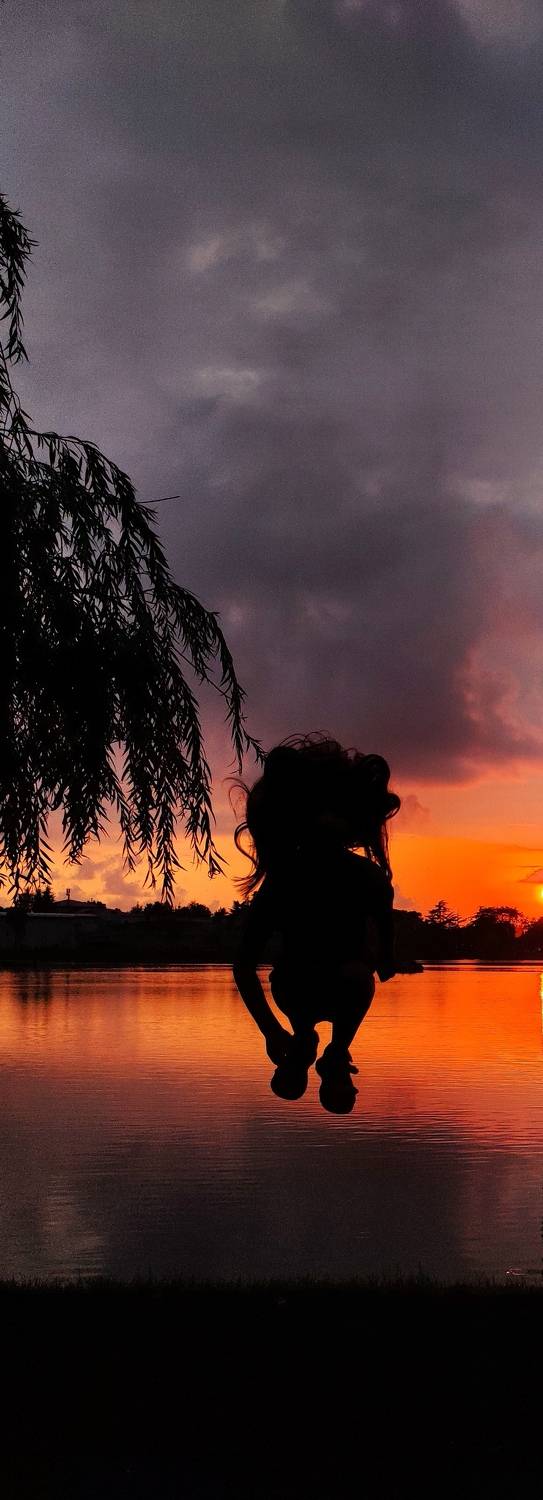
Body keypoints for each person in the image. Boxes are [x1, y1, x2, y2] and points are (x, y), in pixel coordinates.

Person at [232, 734, 400, 1113]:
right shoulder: (298, 880)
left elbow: (244, 965)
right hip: (306, 986)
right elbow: (243, 964)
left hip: (308, 987)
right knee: (353, 977)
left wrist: (271, 1030)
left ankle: (322, 1049)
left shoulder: (362, 879)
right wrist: (271, 1030)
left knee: (352, 977)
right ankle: (317, 1046)